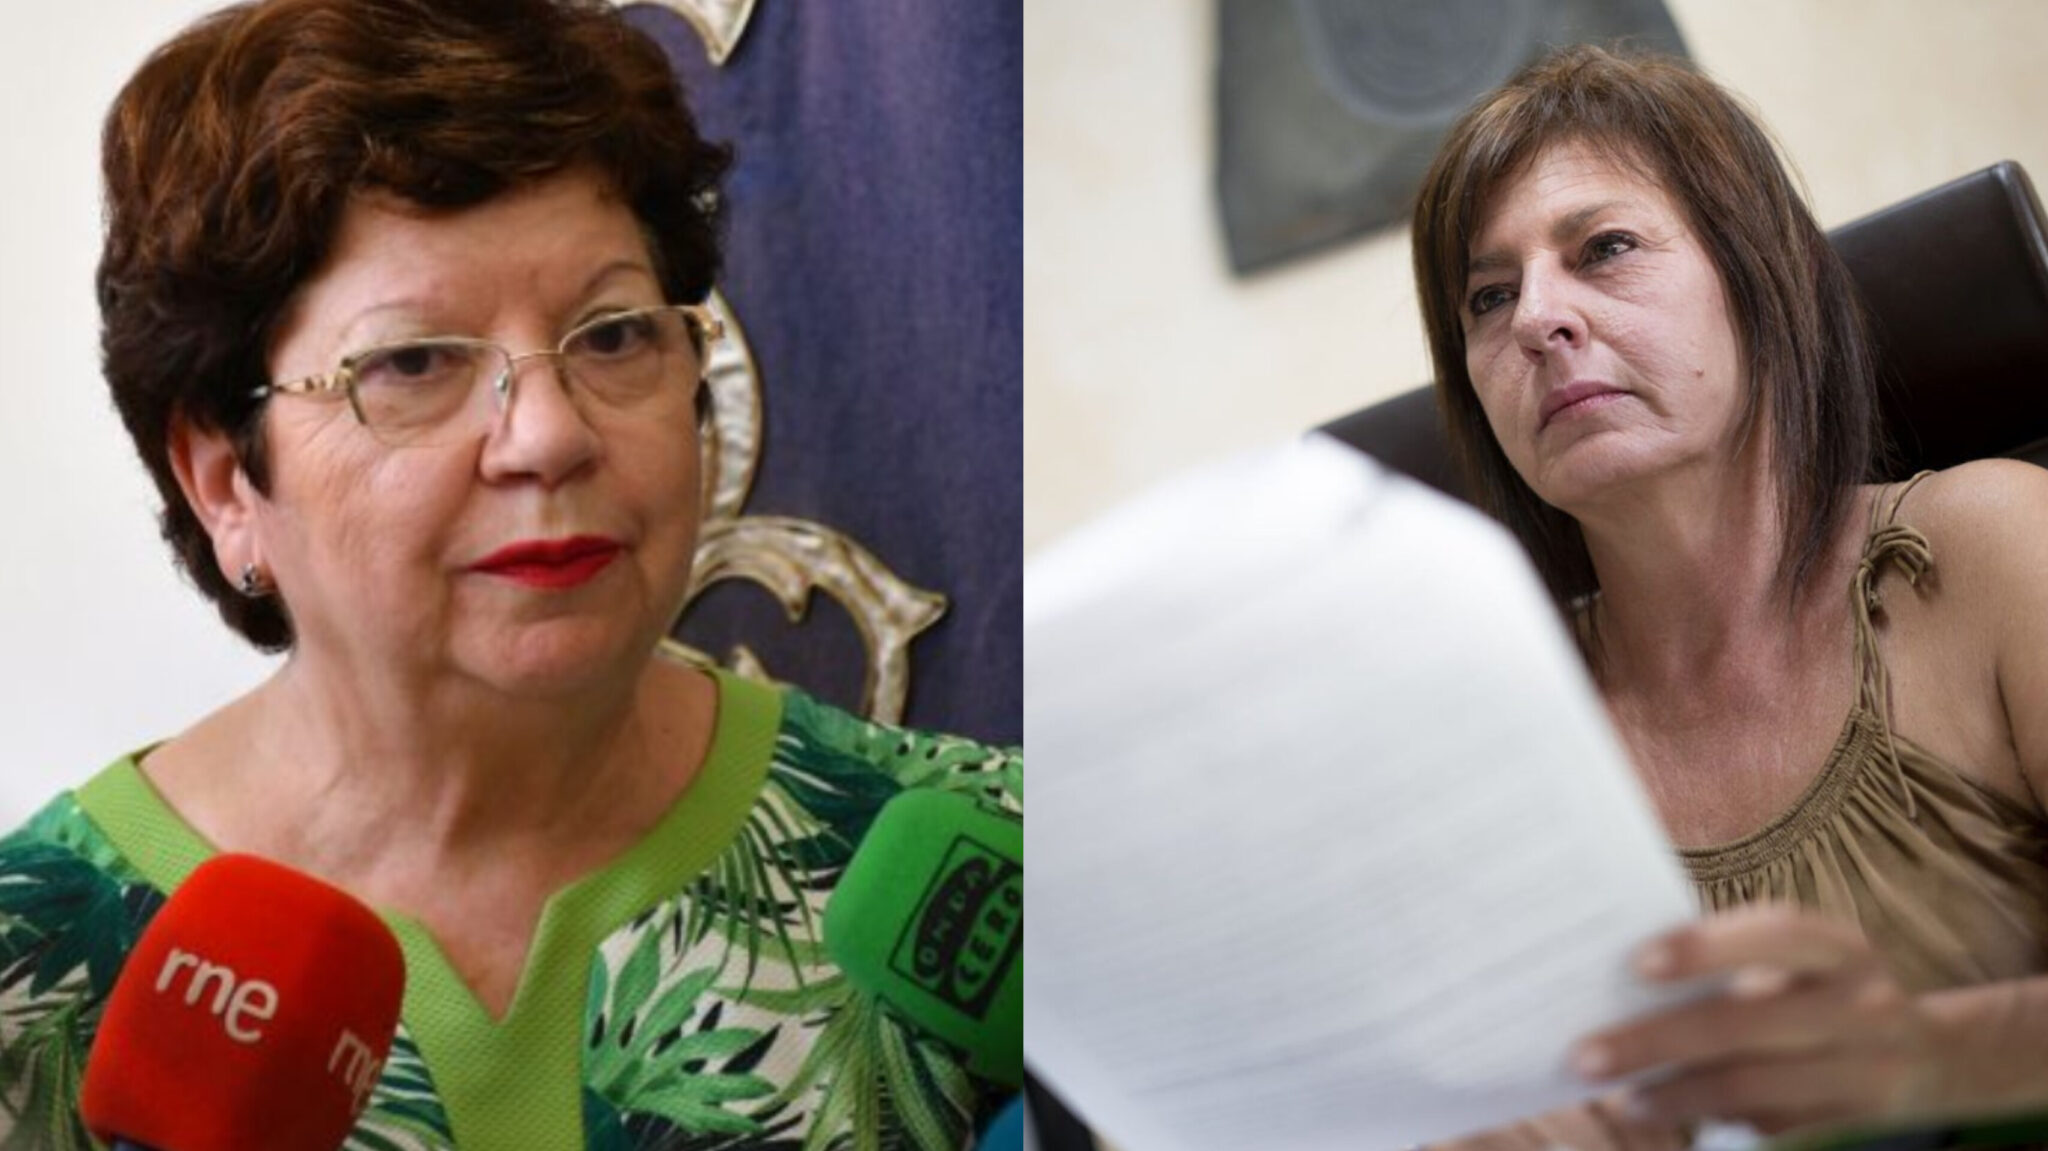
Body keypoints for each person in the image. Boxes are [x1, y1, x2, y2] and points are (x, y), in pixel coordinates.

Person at [0, 1, 1020, 1148]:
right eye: (414, 361)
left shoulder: (985, 868)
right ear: (226, 481)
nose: (549, 433)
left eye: (614, 335)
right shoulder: (32, 974)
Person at [1409, 45, 2048, 1144]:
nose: (1535, 319)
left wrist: (1927, 1055)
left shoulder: (1997, 546)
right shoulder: (1489, 728)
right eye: (1488, 295)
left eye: (1604, 248)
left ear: (1761, 277)